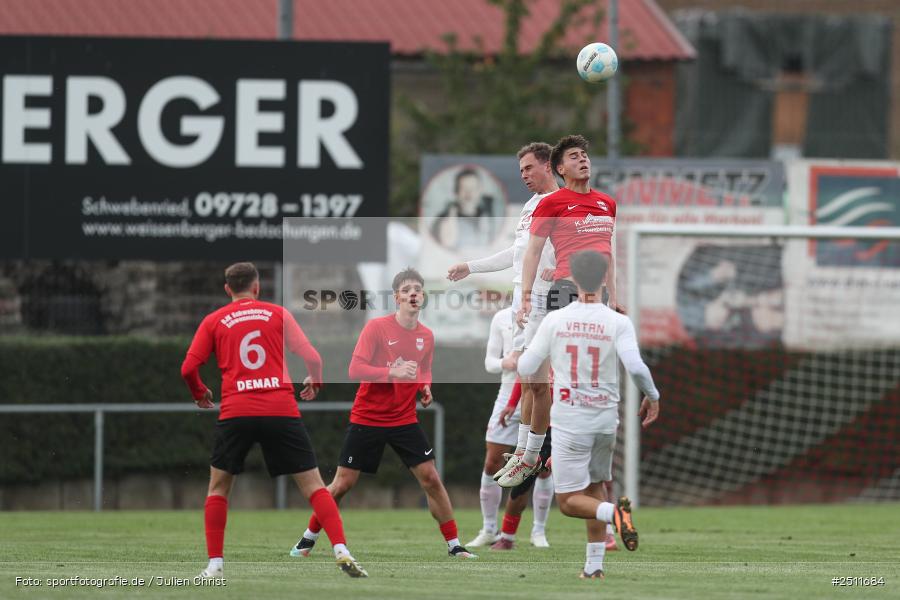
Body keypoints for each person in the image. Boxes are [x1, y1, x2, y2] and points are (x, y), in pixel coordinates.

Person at [180, 262, 367, 579]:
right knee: (314, 487)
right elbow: (313, 358)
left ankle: (215, 566)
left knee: (218, 490)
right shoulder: (277, 314)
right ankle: (341, 549)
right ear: (257, 287)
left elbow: (187, 368)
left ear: (228, 290)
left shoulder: (214, 320)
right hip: (280, 408)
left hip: (237, 411)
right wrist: (315, 379)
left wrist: (199, 393)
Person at [291, 268, 477, 559]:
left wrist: (425, 387)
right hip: (368, 417)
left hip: (404, 419)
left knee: (431, 478)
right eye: (407, 290)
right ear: (396, 298)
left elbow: (423, 369)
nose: (413, 293)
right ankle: (307, 538)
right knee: (342, 484)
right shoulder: (376, 328)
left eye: (418, 288)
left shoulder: (426, 336)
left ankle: (455, 546)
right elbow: (355, 370)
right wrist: (392, 370)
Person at [517, 250, 660, 579]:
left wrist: (534, 361)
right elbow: (636, 367)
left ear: (574, 280)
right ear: (604, 280)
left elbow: (526, 366)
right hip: (606, 422)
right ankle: (594, 567)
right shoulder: (618, 321)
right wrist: (652, 396)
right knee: (595, 487)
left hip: (571, 422)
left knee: (568, 502)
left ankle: (616, 515)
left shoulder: (556, 319)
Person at [503, 134, 619, 488]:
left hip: (597, 299)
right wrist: (525, 296)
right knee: (536, 376)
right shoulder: (552, 204)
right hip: (564, 293)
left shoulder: (607, 203)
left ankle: (550, 455)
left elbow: (609, 255)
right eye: (574, 156)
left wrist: (614, 300)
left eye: (585, 154)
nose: (583, 159)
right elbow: (532, 253)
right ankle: (530, 454)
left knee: (588, 383)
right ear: (560, 168)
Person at [446, 142, 558, 497]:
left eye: (528, 168)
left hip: (546, 301)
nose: (523, 175)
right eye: (521, 169)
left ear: (547, 165)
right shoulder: (529, 206)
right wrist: (471, 266)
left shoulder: (563, 203)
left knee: (539, 383)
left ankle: (533, 454)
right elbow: (518, 253)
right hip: (521, 304)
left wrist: (563, 272)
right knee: (528, 382)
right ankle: (525, 454)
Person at [466, 306, 554, 550]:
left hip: (544, 396)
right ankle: (488, 529)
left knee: (543, 469)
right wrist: (508, 361)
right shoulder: (502, 318)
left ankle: (538, 531)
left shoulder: (550, 317)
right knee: (492, 462)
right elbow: (490, 363)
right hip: (509, 396)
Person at [430, 167, 497, 249]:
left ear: (480, 190)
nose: (469, 193)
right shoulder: (444, 219)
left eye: (473, 188)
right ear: (456, 191)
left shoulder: (490, 218)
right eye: (464, 188)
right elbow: (448, 243)